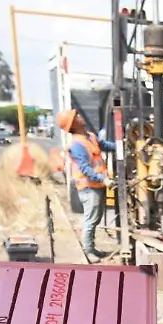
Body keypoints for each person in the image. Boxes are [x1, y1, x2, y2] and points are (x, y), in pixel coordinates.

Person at [57, 109, 115, 258]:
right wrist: (103, 179)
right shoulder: (77, 144)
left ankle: (92, 249)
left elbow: (106, 145)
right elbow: (85, 168)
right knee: (91, 220)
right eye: (76, 116)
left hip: (98, 186)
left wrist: (123, 145)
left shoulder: (90, 137)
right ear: (73, 125)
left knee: (96, 218)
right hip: (89, 188)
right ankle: (88, 252)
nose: (80, 116)